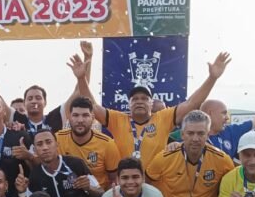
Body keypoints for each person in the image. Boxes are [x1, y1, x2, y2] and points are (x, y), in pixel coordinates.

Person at [70, 52, 232, 167]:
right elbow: (92, 105)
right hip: (127, 185)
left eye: (144, 98)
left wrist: (212, 78)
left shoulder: (163, 118)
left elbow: (192, 103)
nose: (139, 101)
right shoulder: (117, 119)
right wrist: (81, 78)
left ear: (151, 103)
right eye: (135, 99)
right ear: (128, 103)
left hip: (157, 185)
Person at [0, 32, 87, 135]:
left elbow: (79, 92)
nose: (34, 101)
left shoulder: (55, 117)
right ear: (25, 103)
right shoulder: (16, 118)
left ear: (45, 102)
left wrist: (85, 66)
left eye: (38, 98)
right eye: (30, 98)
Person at [20, 128, 102, 197]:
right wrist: (21, 192)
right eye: (39, 144)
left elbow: (101, 194)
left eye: (48, 142)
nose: (45, 148)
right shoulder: (35, 176)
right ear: (34, 150)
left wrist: (89, 188)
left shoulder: (76, 164)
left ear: (57, 144)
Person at [56, 97, 121, 190]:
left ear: (93, 118)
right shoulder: (57, 139)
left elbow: (114, 180)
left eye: (85, 115)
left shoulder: (107, 144)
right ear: (69, 117)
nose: (80, 120)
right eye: (75, 115)